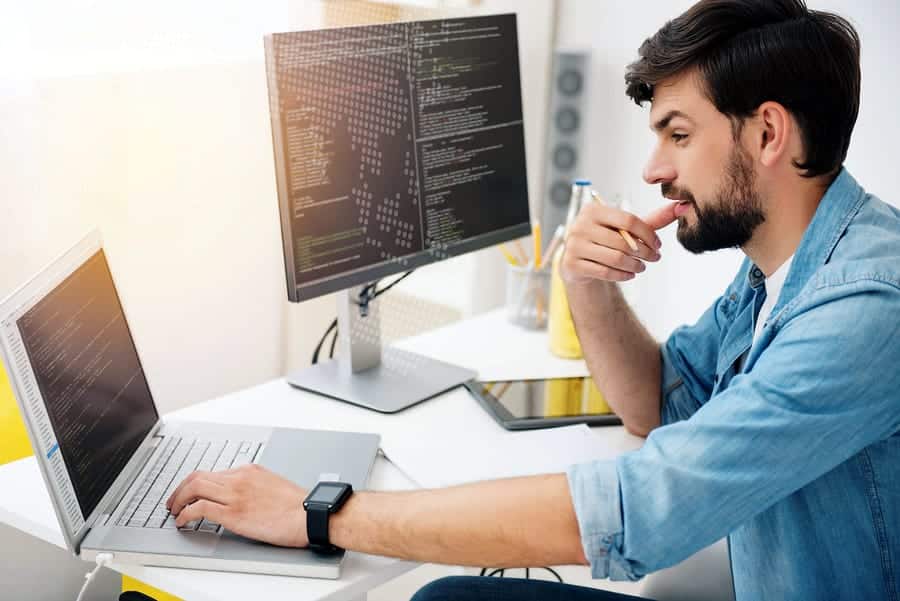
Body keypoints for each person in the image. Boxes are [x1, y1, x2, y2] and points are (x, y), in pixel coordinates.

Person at [166, 1, 900, 599]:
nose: (654, 169)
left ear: (768, 132)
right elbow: (660, 403)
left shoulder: (863, 310)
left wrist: (321, 512)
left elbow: (636, 511)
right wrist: (583, 281)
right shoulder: (783, 267)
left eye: (679, 134)